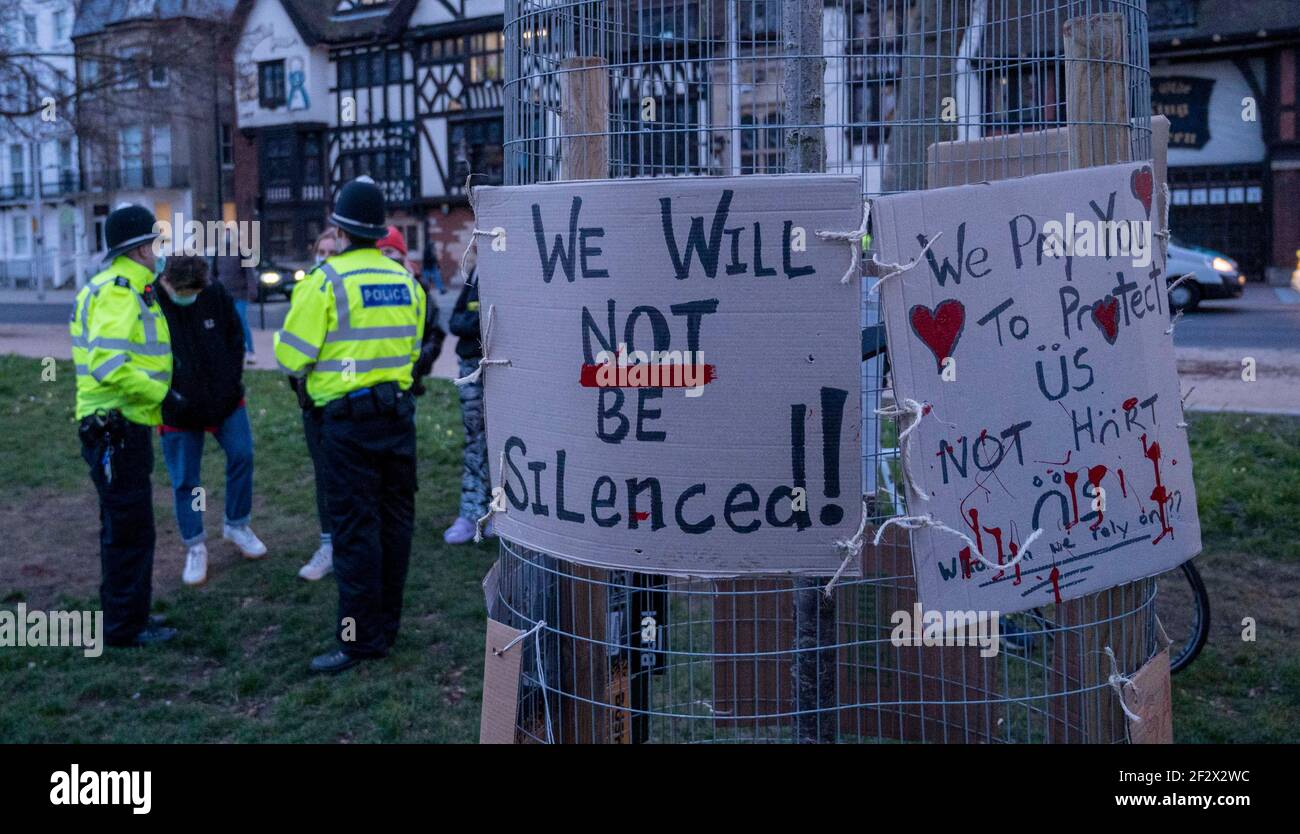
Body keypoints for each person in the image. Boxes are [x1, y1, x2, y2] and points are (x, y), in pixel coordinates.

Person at [274, 177, 427, 673]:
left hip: (346, 425)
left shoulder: (325, 282)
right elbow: (411, 350)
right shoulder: (405, 281)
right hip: (398, 419)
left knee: (354, 532)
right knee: (395, 527)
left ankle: (358, 641)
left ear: (340, 231)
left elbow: (290, 357)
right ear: (380, 231)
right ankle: (386, 630)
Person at [70, 204, 183, 647]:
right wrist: (164, 395)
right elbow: (109, 364)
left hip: (120, 427)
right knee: (129, 530)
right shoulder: (121, 291)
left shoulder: (128, 288)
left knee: (127, 527)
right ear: (138, 250)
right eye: (154, 243)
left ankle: (129, 617)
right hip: (117, 428)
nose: (158, 251)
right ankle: (124, 627)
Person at [155, 255, 267, 586]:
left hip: (225, 401)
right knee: (188, 480)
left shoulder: (214, 294)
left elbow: (235, 339)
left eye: (194, 291)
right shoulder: (152, 302)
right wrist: (169, 393)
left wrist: (230, 381)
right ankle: (196, 545)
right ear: (166, 282)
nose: (188, 297)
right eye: (183, 291)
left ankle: (237, 524)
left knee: (242, 455)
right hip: (178, 408)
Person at [294, 227, 341, 582]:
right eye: (321, 251)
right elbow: (294, 350)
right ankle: (329, 544)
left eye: (332, 252)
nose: (324, 258)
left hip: (346, 402)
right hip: (315, 403)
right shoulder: (307, 288)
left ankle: (350, 544)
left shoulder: (345, 291)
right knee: (324, 476)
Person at [444, 244, 493, 545]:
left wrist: (472, 323)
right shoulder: (474, 275)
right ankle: (471, 511)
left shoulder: (506, 271)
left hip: (498, 367)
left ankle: (495, 511)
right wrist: (477, 321)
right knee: (475, 440)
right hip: (471, 367)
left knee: (500, 442)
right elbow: (456, 321)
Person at [377, 225, 445, 396]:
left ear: (402, 254)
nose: (385, 257)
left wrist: (418, 365)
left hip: (408, 381)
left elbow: (435, 332)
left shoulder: (418, 288)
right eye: (380, 252)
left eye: (389, 251)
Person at [213, 224, 256, 359]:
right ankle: (233, 349)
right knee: (224, 323)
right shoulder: (218, 253)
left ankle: (250, 351)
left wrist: (252, 290)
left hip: (240, 294)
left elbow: (250, 273)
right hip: (223, 295)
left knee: (241, 321)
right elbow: (213, 273)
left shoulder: (242, 252)